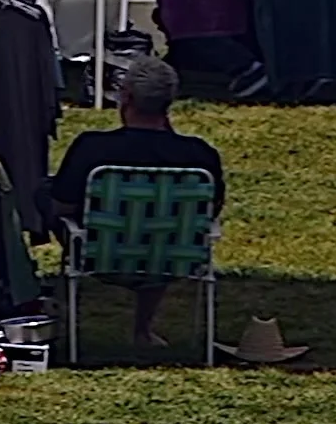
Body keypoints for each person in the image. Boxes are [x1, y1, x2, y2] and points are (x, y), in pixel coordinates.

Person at [46, 55, 225, 349]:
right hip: (173, 258)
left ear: (125, 97)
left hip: (100, 256)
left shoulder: (93, 148)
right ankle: (142, 328)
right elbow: (210, 210)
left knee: (46, 193)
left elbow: (62, 205)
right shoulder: (199, 156)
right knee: (162, 223)